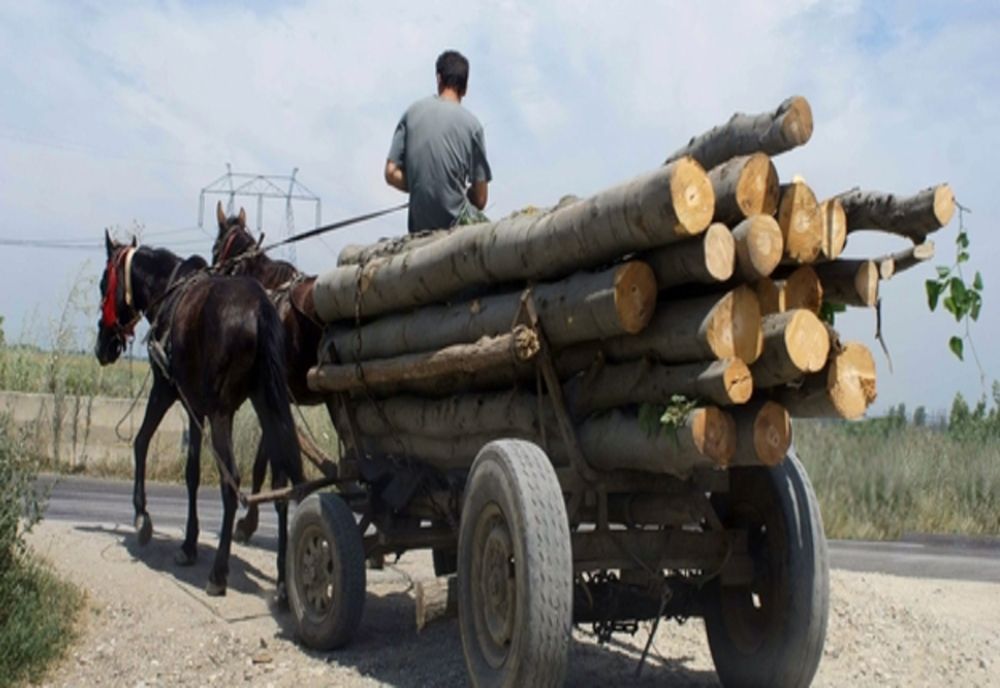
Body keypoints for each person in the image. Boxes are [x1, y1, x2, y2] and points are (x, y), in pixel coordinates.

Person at [385, 50, 492, 233]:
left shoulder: (411, 113)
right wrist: (456, 191)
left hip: (419, 228)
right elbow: (481, 200)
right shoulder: (473, 126)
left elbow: (390, 172)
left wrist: (423, 185)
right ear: (465, 89)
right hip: (455, 228)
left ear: (439, 79)